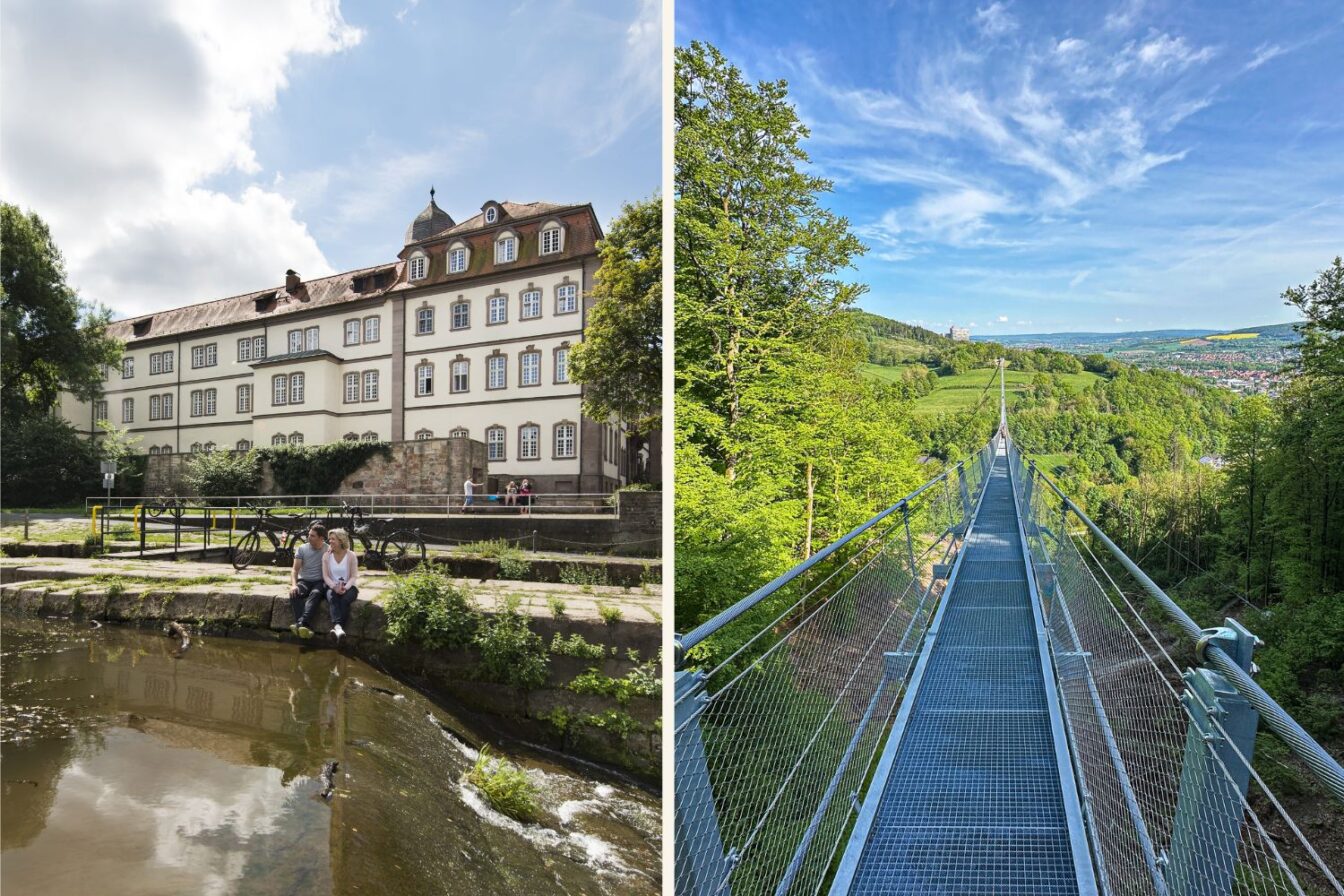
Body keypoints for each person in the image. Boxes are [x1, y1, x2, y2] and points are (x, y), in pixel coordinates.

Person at [289, 523, 328, 639]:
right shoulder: (302, 549)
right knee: (294, 593)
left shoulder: (328, 549)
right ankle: (304, 625)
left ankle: (300, 623)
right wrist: (293, 585)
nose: (308, 538)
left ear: (321, 538)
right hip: (304, 581)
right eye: (309, 535)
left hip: (320, 582)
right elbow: (295, 570)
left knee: (316, 593)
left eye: (312, 536)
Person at [322, 528, 359, 644]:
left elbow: (353, 576)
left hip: (349, 587)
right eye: (329, 539)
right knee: (333, 599)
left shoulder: (351, 555)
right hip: (332, 586)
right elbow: (326, 576)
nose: (330, 541)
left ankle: (337, 628)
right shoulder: (326, 556)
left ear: (341, 540)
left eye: (333, 539)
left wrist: (345, 588)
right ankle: (339, 629)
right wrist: (334, 587)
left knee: (344, 600)